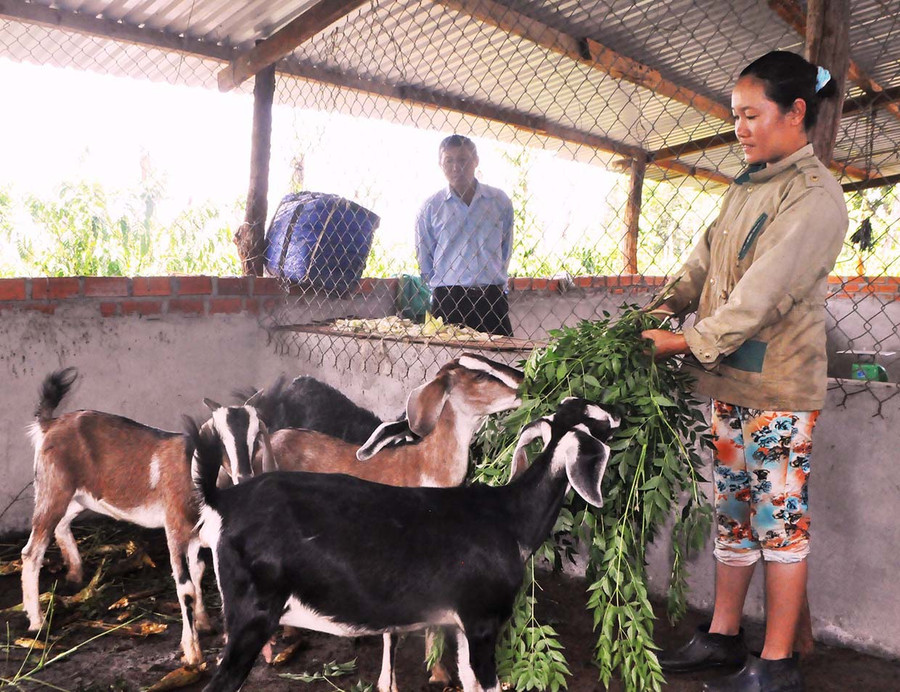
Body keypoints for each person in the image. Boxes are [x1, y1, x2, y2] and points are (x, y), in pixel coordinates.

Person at [642, 51, 847, 692]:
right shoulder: (748, 185)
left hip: (778, 389)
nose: (741, 128)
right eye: (735, 116)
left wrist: (681, 341)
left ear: (795, 113)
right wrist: (659, 306)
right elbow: (702, 265)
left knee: (778, 522)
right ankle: (724, 638)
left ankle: (778, 662)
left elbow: (760, 296)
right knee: (733, 511)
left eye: (753, 115)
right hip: (730, 383)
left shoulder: (815, 198)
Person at [415, 134, 514, 336]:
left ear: (475, 161)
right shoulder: (431, 207)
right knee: (447, 362)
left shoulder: (498, 201)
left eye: (463, 160)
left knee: (501, 359)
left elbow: (506, 248)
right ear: (440, 164)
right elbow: (424, 257)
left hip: (491, 298)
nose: (456, 167)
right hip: (449, 299)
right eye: (448, 161)